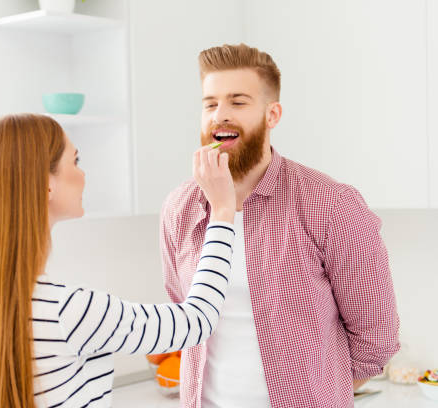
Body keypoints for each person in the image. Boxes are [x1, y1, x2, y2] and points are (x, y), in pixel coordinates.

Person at [0, 113, 238, 408]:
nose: (82, 174)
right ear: (47, 184)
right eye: (75, 161)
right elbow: (196, 321)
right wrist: (223, 210)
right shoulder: (70, 310)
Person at [159, 44, 400, 408]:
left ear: (272, 114)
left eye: (238, 102)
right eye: (210, 104)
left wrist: (318, 390)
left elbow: (375, 338)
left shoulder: (330, 205)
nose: (219, 115)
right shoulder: (180, 208)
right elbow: (182, 314)